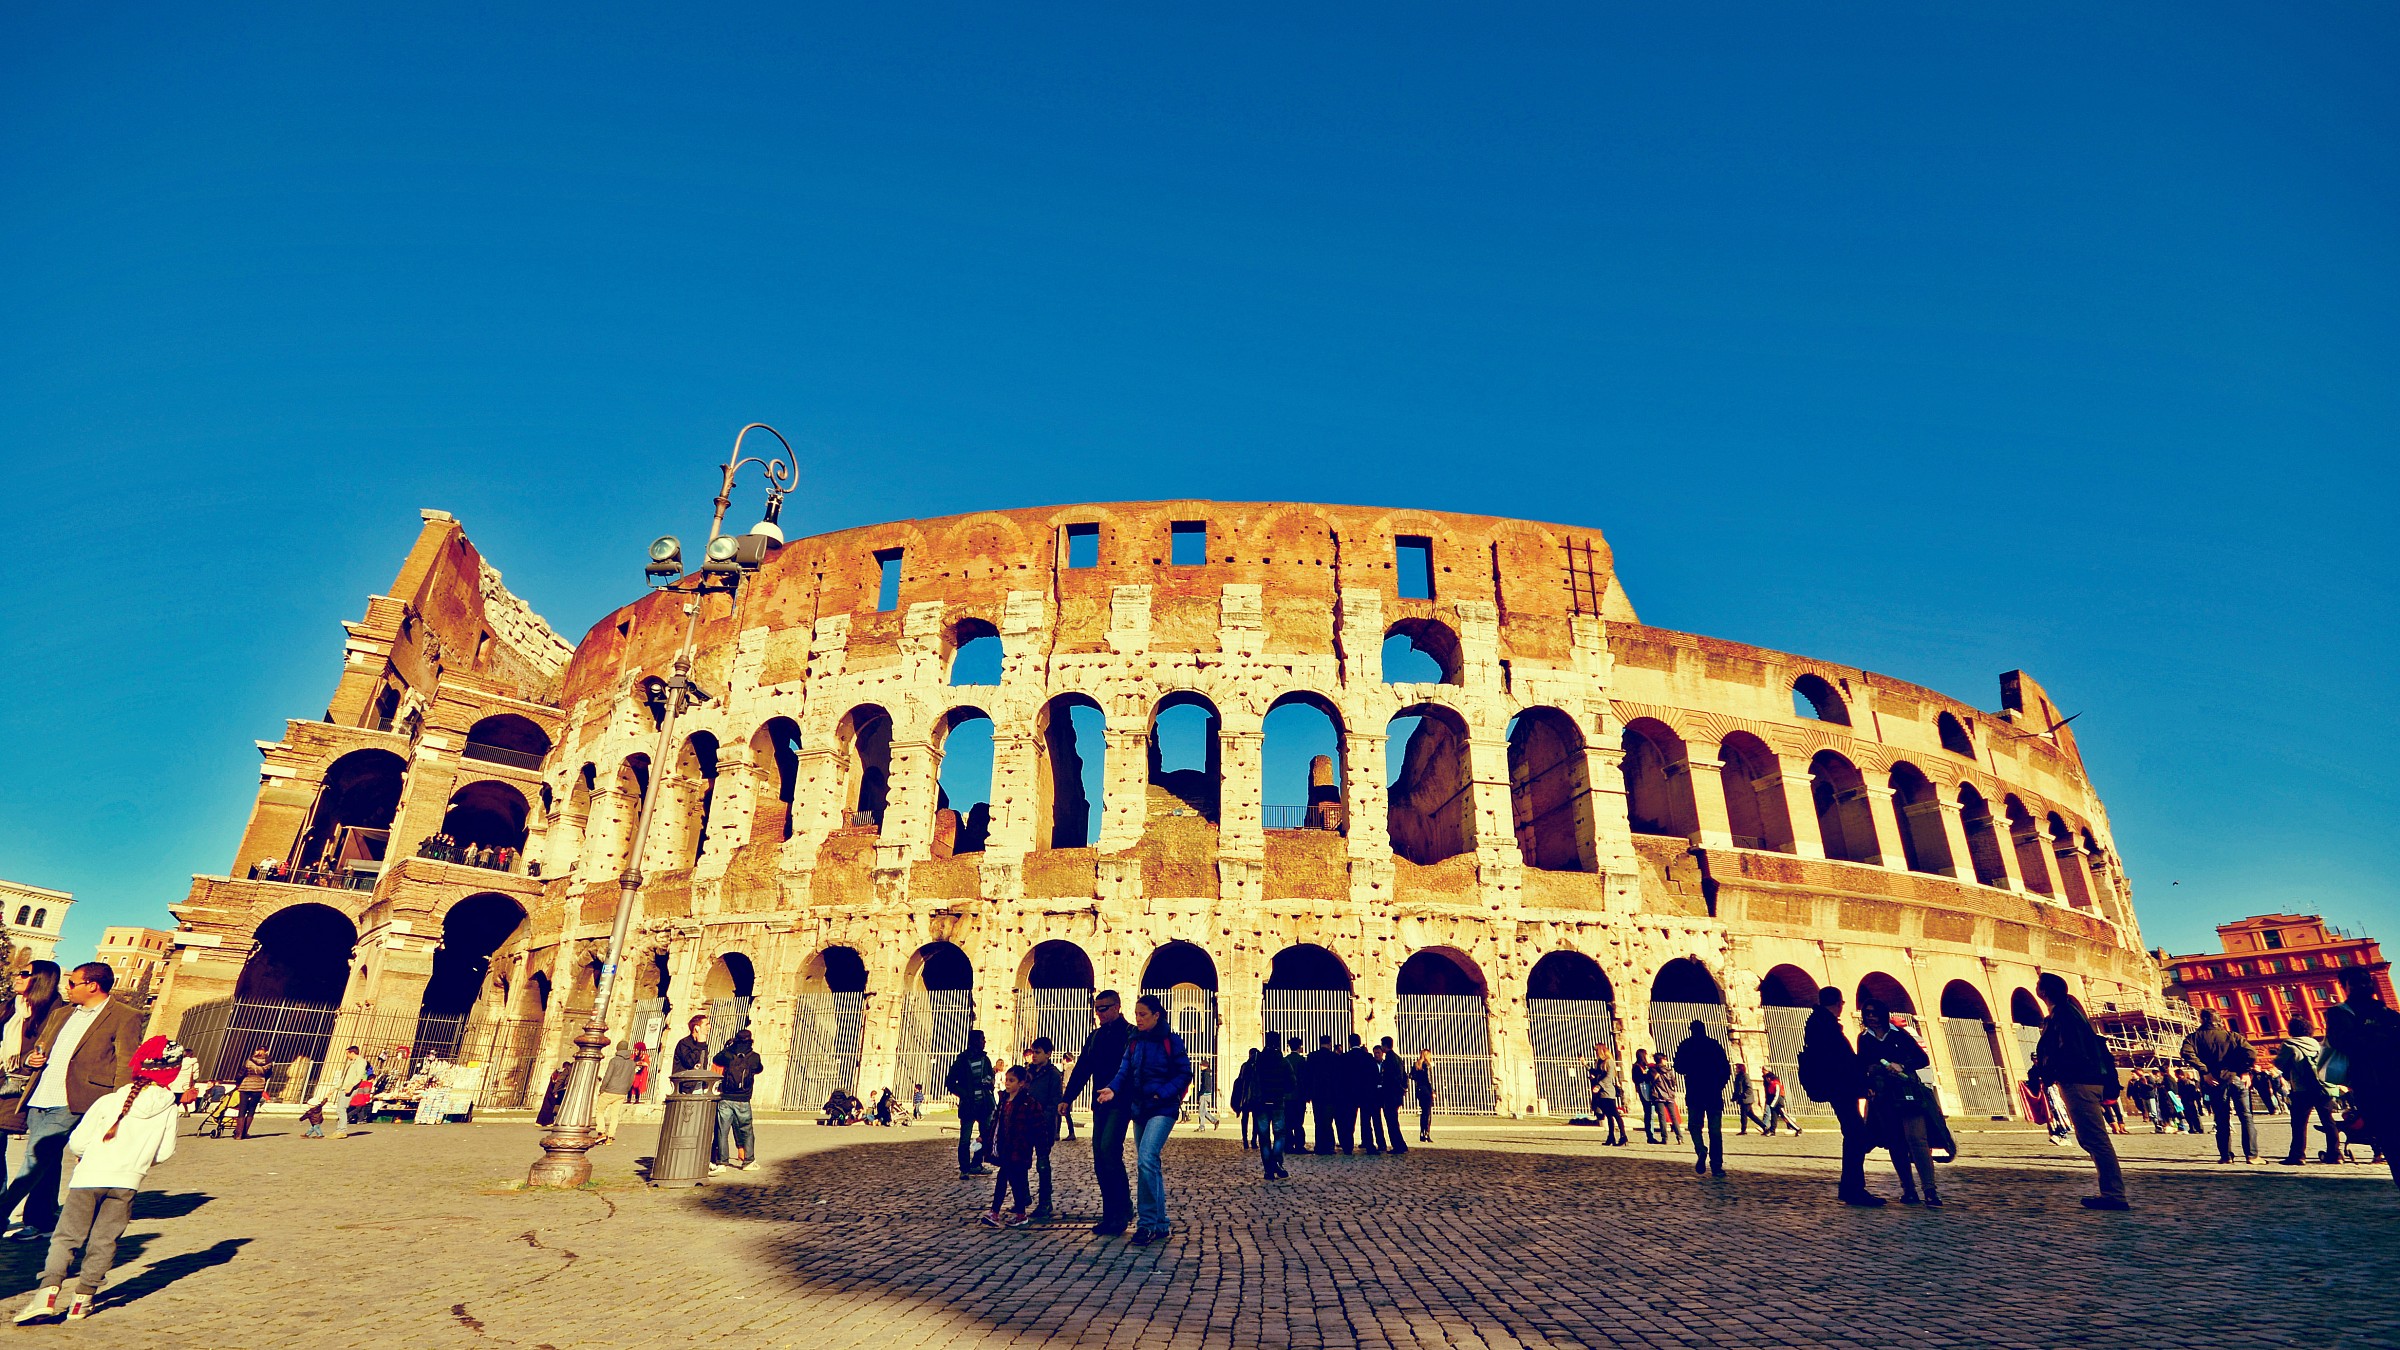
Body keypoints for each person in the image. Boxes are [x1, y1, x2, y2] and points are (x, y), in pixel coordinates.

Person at [12, 1037, 186, 1325]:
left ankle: (47, 1294)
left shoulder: (108, 1100)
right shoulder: (168, 1108)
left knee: (67, 1237)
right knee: (105, 1241)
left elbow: (78, 1142)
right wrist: (138, 1161)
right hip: (127, 1182)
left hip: (88, 1177)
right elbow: (165, 1152)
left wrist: (89, 1154)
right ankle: (83, 1299)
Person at [1096, 994, 1191, 1245]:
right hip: (1140, 1108)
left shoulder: (1171, 1040)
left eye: (1143, 1015)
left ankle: (1146, 1223)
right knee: (1151, 1164)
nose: (1137, 1019)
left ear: (1156, 1015)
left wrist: (1164, 1092)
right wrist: (1112, 1089)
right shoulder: (1134, 1042)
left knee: (1146, 1158)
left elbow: (1184, 1073)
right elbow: (1124, 1071)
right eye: (1136, 1014)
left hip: (1163, 1107)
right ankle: (1161, 1223)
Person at [2030, 971, 2128, 1210]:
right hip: (2083, 1080)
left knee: (2095, 1138)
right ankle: (2111, 1192)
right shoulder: (2068, 1011)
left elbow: (2069, 1050)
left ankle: (2114, 1194)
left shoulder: (2063, 1014)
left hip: (2079, 1082)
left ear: (2042, 992)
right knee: (2091, 1138)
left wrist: (2053, 1071)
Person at [0, 963, 65, 1239]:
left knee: (44, 1152)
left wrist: (31, 1060)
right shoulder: (9, 1007)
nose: (17, 977)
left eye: (24, 974)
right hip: (4, 1083)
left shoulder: (56, 1011)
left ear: (41, 980)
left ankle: (40, 1217)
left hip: (32, 1088)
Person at [1062, 990, 1134, 1235]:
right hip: (1100, 1103)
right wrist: (1067, 1098)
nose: (1099, 1013)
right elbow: (1083, 1068)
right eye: (1097, 1009)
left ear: (1117, 1007)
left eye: (1104, 1008)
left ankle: (1121, 1213)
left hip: (1121, 1102)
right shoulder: (1095, 1037)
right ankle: (1113, 1212)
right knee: (1100, 1160)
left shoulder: (1130, 1034)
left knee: (1109, 1152)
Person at [1800, 986, 1879, 1206]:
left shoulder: (1819, 1022)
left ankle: (1850, 1187)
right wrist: (1862, 1083)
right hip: (1841, 1087)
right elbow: (1842, 1061)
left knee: (1855, 1133)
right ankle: (1853, 1188)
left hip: (1837, 1086)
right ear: (1838, 1003)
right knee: (1856, 1134)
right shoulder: (1826, 1026)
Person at [2322, 966, 2400, 1187]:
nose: (2362, 986)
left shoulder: (2385, 1011)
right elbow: (2345, 1042)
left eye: (2365, 981)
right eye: (2355, 983)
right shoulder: (2340, 1013)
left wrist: (2372, 1037)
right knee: (2391, 1140)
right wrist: (2384, 1038)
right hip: (2371, 1086)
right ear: (2344, 987)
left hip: (2393, 1080)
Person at [1857, 1002, 1940, 1206]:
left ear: (1883, 1015)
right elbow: (1862, 1064)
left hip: (1906, 1091)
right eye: (1867, 1014)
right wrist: (1871, 1076)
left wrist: (1902, 1065)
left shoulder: (1900, 1034)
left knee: (1917, 1140)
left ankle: (1930, 1190)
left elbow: (1923, 1059)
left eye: (1875, 1013)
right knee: (1895, 1142)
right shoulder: (1864, 1038)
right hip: (1883, 1096)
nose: (1871, 1017)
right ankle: (1909, 1190)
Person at [2181, 1009, 2260, 1165]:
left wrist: (2205, 1071)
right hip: (2236, 1078)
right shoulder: (2233, 1036)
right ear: (2219, 1020)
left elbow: (2186, 1053)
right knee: (2246, 1117)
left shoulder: (2194, 1038)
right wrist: (2245, 1071)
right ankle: (2252, 1156)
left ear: (2202, 1020)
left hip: (2214, 1081)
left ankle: (2226, 1156)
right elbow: (2251, 1053)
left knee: (2221, 1119)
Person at [980, 1066, 1041, 1228]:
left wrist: (1039, 1143)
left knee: (1015, 1181)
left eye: (1011, 1080)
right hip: (1005, 1147)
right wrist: (986, 1137)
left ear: (1021, 1083)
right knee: (1009, 1179)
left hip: (1020, 1148)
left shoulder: (1028, 1103)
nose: (1007, 1083)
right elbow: (996, 1122)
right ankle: (1003, 1212)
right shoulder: (1004, 1101)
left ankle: (1005, 1213)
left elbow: (1036, 1125)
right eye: (1007, 1080)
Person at [2277, 1014, 2340, 1165]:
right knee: (2328, 1121)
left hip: (2302, 1089)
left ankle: (2298, 1156)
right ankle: (2336, 1155)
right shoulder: (2318, 1044)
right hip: (2323, 1088)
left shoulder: (2289, 1044)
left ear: (2291, 1029)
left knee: (2299, 1123)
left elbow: (2279, 1063)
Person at [1672, 1020, 1730, 1177]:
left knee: (1694, 1126)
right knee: (1715, 1131)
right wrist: (1719, 1085)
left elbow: (1678, 1067)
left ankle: (1700, 1149)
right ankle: (1716, 1166)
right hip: (1713, 1092)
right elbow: (1726, 1069)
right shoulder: (1714, 1046)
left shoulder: (1686, 1045)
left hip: (1695, 1091)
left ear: (1691, 1030)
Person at [1021, 1037, 1063, 1220]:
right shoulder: (1027, 1072)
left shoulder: (1053, 1074)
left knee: (1043, 1164)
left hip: (1043, 1125)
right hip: (1024, 1123)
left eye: (1038, 1052)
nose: (1034, 1056)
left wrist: (1044, 1120)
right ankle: (1022, 1198)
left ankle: (1045, 1201)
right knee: (1020, 1162)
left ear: (1048, 1054)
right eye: (1033, 1052)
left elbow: (1054, 1102)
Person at [711, 1027, 763, 1173]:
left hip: (726, 1098)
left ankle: (722, 1163)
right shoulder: (754, 1056)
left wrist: (729, 1047)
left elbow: (716, 1059)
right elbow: (759, 1069)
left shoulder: (728, 1054)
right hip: (743, 1099)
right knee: (746, 1130)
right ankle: (748, 1161)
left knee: (722, 1131)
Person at [946, 1029, 996, 1177]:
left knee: (985, 1135)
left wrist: (989, 1082)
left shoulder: (985, 1059)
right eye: (982, 1039)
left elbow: (990, 1077)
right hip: (968, 1104)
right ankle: (964, 1168)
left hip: (984, 1104)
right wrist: (964, 1093)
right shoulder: (962, 1060)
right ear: (975, 1041)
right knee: (965, 1139)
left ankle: (976, 1163)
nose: (984, 1042)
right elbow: (950, 1082)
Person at [1247, 1032, 1292, 1180]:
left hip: (1260, 1103)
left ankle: (1268, 1169)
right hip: (1277, 1102)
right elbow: (1292, 1082)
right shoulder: (1283, 1061)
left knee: (1264, 1136)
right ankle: (1276, 1161)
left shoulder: (1257, 1060)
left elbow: (1249, 1079)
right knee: (1280, 1133)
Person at [1306, 1035, 1344, 1155]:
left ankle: (1319, 1146)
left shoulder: (1312, 1057)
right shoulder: (1335, 1057)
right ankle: (1328, 1146)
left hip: (1316, 1094)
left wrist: (1309, 1093)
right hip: (1331, 1094)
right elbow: (1338, 1078)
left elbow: (1308, 1076)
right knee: (1328, 1121)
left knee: (1318, 1120)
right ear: (1329, 1044)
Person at [1345, 1034, 1382, 1154]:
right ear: (1360, 1043)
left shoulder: (1346, 1057)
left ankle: (1348, 1146)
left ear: (1349, 1044)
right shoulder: (1368, 1057)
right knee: (1366, 1120)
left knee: (1349, 1120)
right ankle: (1369, 1145)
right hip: (1366, 1093)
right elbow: (1375, 1075)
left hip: (1350, 1093)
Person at [596, 1040, 638, 1144]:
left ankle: (601, 1133)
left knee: (599, 1111)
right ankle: (610, 1138)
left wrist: (602, 1089)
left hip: (609, 1090)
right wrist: (626, 1090)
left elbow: (607, 1076)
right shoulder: (632, 1063)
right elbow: (631, 1079)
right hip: (621, 1092)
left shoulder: (614, 1060)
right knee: (615, 1115)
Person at [1376, 1038, 1409, 1154]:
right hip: (1397, 1094)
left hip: (1390, 1095)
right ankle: (1401, 1144)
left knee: (1391, 1122)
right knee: (1394, 1121)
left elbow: (1389, 1079)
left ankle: (1397, 1145)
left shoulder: (1389, 1060)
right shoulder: (1398, 1058)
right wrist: (1403, 1088)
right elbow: (1404, 1076)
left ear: (1385, 1046)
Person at [232, 1048, 271, 1139]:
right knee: (252, 1109)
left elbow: (241, 1073)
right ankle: (245, 1132)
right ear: (266, 1052)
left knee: (242, 1108)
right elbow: (268, 1074)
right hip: (258, 1086)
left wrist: (238, 1082)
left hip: (246, 1084)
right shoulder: (268, 1062)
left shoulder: (249, 1060)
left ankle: (238, 1134)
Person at [1651, 1055, 1684, 1143]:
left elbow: (1650, 1080)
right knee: (1674, 1117)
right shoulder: (1669, 1071)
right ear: (1662, 1060)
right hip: (1669, 1095)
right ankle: (1679, 1137)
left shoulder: (1653, 1070)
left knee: (1662, 1117)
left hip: (1658, 1095)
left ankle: (1664, 1138)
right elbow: (1674, 1083)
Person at [1631, 1049, 1661, 1143]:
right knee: (1648, 1113)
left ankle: (1652, 1134)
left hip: (1651, 1089)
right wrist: (1648, 1076)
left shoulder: (1646, 1066)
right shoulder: (1636, 1067)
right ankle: (1650, 1135)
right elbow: (1637, 1079)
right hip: (1644, 1090)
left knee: (1652, 1112)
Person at [1761, 1068, 1801, 1135]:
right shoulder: (1770, 1084)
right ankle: (1772, 1131)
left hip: (1778, 1103)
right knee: (1774, 1117)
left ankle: (1798, 1129)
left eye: (1767, 1078)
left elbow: (1777, 1095)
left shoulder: (1776, 1083)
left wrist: (1773, 1104)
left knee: (1784, 1116)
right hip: (1773, 1103)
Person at [1730, 1063, 1767, 1135]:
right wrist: (1734, 1097)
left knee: (1743, 1115)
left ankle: (1743, 1130)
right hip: (1742, 1099)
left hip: (1746, 1099)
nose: (1735, 1069)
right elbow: (1737, 1089)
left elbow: (1749, 1088)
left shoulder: (1745, 1076)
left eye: (1737, 1068)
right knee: (1751, 1115)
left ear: (1740, 1069)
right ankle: (1764, 1127)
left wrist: (1743, 1095)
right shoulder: (1738, 1077)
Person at [1410, 1048, 1435, 1143]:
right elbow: (1429, 1080)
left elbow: (1411, 1076)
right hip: (1426, 1090)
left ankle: (1421, 1132)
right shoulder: (1427, 1065)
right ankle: (1427, 1133)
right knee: (1427, 1112)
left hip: (1419, 1089)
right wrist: (1432, 1091)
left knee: (1423, 1112)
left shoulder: (1416, 1064)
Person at [535, 1062, 568, 1128]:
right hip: (553, 1092)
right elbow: (557, 1082)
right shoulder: (560, 1073)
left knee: (546, 1107)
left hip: (550, 1092)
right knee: (550, 1107)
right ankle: (548, 1122)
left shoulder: (556, 1072)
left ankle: (540, 1122)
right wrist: (555, 1092)